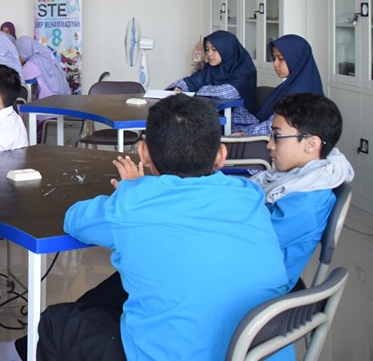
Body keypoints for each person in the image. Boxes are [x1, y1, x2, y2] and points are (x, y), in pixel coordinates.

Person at [17, 94, 288, 361]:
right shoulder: (249, 196)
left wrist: (129, 190)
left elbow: (74, 220)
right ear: (221, 156)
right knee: (117, 290)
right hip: (257, 351)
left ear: (143, 152)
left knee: (56, 322)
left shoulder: (132, 204)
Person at [253, 93, 354, 290]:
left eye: (277, 136)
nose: (270, 145)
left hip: (258, 286)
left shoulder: (307, 202)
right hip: (252, 265)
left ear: (311, 144)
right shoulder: (294, 177)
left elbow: (251, 239)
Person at [168, 30, 259, 131]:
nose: (209, 54)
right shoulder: (211, 68)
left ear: (227, 49)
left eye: (214, 50)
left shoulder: (245, 69)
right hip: (212, 116)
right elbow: (190, 82)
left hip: (240, 123)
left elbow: (228, 92)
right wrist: (177, 88)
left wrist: (199, 90)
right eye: (207, 49)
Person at [245, 34, 323, 136]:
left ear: (296, 58)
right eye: (274, 58)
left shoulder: (298, 93)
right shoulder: (300, 83)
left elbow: (273, 127)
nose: (275, 64)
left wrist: (244, 133)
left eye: (281, 59)